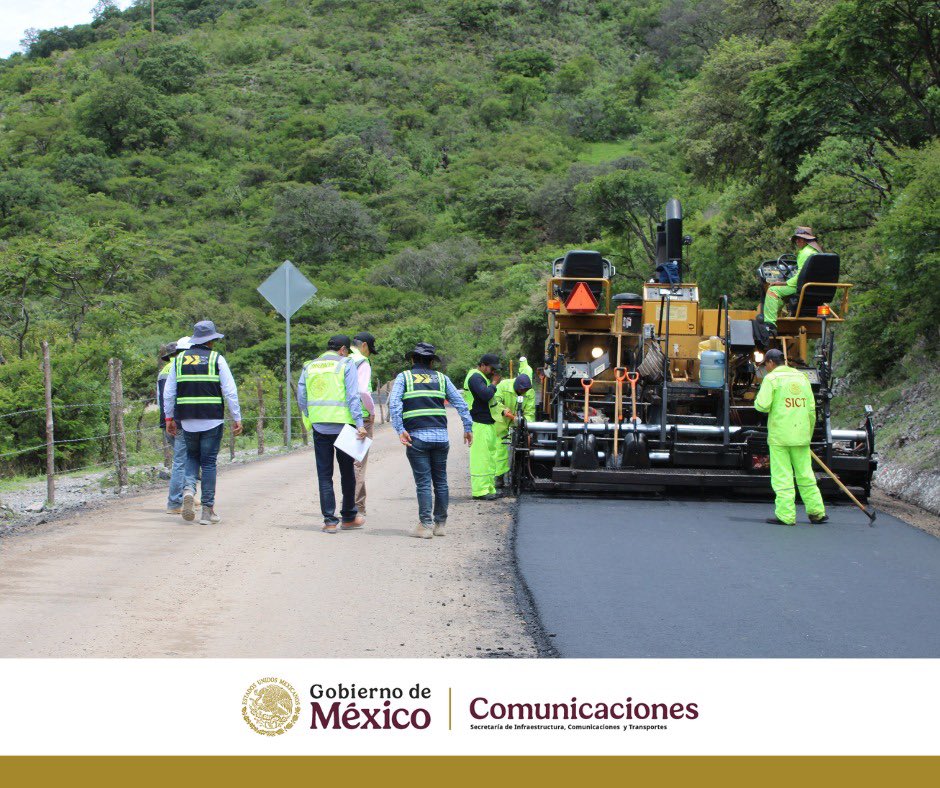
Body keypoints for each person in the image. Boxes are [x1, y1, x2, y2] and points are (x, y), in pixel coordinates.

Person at [389, 343, 474, 538]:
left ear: (413, 360)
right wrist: (467, 428)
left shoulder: (405, 377)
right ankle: (440, 524)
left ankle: (425, 526)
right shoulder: (442, 379)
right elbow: (460, 403)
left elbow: (394, 404)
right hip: (441, 438)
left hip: (417, 437)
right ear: (431, 361)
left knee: (424, 483)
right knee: (441, 481)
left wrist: (400, 430)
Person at [164, 321, 243, 525]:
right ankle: (207, 511)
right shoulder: (217, 359)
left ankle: (189, 490)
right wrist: (237, 417)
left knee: (191, 457)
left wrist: (169, 418)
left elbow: (169, 392)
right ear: (212, 340)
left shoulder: (178, 360)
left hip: (187, 418)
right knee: (208, 463)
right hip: (212, 418)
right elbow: (230, 390)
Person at [297, 335, 368, 534]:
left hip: (320, 426)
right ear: (343, 349)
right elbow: (353, 396)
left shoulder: (309, 366)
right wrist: (360, 423)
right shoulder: (346, 364)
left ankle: (329, 520)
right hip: (344, 426)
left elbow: (301, 396)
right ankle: (348, 517)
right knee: (347, 472)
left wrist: (311, 415)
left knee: (324, 474)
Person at [754, 348, 828, 526]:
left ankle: (786, 515)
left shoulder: (772, 379)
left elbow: (762, 406)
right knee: (806, 475)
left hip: (780, 436)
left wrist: (758, 401)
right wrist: (807, 435)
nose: (766, 368)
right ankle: (817, 512)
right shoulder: (801, 378)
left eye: (766, 365)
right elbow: (811, 410)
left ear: (771, 363)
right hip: (801, 436)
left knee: (783, 476)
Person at [762, 227, 824, 332]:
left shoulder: (805, 253)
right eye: (796, 239)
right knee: (780, 295)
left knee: (772, 290)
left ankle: (770, 325)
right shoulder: (816, 252)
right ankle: (781, 315)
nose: (797, 241)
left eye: (801, 238)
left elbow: (800, 276)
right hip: (816, 288)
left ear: (807, 240)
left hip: (803, 287)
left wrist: (784, 283)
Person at [157, 336, 191, 514]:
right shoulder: (179, 367)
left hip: (166, 420)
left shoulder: (165, 369)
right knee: (182, 460)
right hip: (176, 420)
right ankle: (177, 500)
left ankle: (187, 495)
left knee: (181, 460)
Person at [490, 357, 535, 488]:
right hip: (501, 423)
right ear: (516, 386)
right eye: (521, 391)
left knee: (518, 448)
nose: (524, 393)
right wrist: (504, 411)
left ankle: (518, 472)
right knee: (500, 450)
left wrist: (525, 422)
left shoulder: (529, 391)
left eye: (525, 391)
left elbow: (530, 412)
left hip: (517, 424)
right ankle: (498, 477)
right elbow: (494, 402)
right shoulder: (504, 386)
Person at [462, 353, 502, 500]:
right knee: (481, 459)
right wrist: (494, 384)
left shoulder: (481, 377)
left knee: (490, 458)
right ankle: (480, 491)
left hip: (487, 423)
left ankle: (489, 488)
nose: (493, 372)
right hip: (479, 424)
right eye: (492, 368)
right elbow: (485, 395)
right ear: (483, 365)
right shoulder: (475, 377)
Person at [350, 332, 378, 516]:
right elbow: (363, 391)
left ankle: (348, 505)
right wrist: (372, 411)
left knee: (347, 464)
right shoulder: (362, 361)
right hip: (362, 418)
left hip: (341, 417)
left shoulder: (342, 358)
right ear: (365, 346)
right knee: (358, 463)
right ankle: (357, 507)